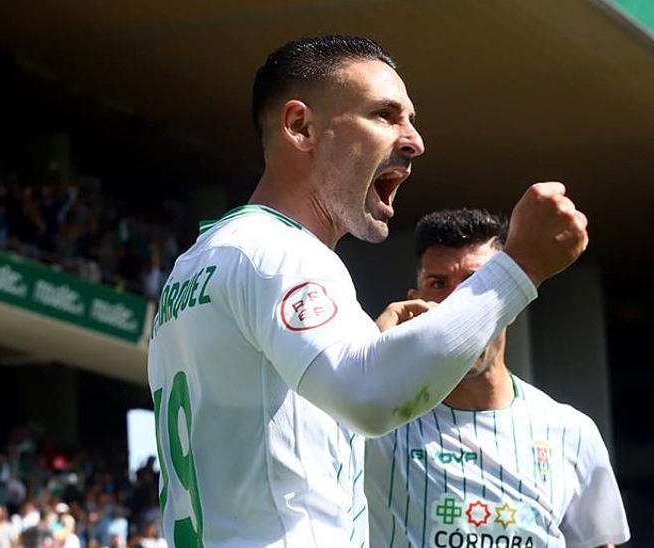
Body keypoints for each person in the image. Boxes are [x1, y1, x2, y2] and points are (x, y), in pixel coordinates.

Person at [147, 35, 589, 546]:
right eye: (385, 115)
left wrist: (369, 342)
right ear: (301, 127)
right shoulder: (280, 250)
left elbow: (266, 435)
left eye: (411, 119)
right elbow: (369, 396)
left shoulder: (196, 264)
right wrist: (520, 266)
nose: (413, 140)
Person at [366, 209, 629, 548]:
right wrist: (373, 353)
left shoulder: (571, 431)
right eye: (438, 284)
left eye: (476, 283)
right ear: (414, 301)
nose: (457, 304)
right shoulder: (374, 422)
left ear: (509, 300)